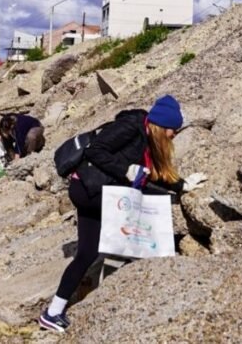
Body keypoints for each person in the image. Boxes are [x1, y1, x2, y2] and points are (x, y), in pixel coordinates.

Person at [39, 95, 208, 333]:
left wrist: (182, 186)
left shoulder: (150, 136)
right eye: (173, 130)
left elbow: (153, 174)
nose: (174, 135)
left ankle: (52, 313)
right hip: (89, 191)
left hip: (93, 190)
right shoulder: (131, 127)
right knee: (145, 212)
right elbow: (95, 151)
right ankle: (140, 280)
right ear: (162, 125)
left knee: (86, 254)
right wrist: (125, 171)